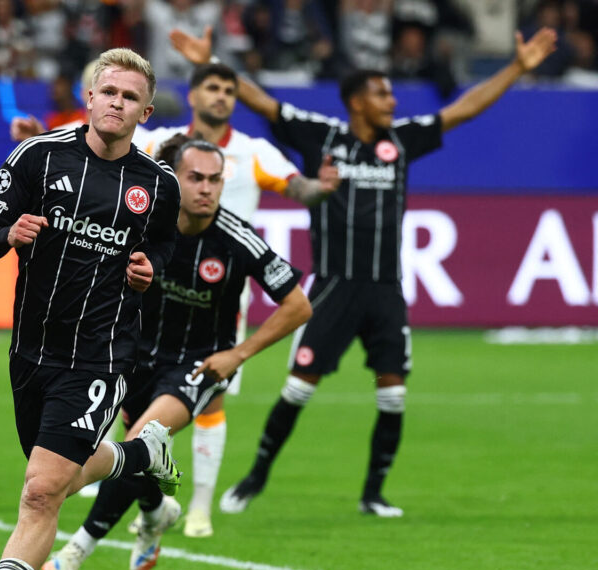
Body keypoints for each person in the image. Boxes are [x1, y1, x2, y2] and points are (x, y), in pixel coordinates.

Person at [168, 26, 558, 517]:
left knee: (393, 393)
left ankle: (374, 493)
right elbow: (267, 105)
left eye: (390, 93)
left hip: (386, 291)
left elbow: (464, 109)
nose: (391, 101)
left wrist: (517, 68)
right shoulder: (323, 137)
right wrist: (218, 65)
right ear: (356, 102)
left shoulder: (402, 142)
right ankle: (254, 478)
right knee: (298, 389)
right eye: (381, 93)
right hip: (332, 288)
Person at [13, 60, 340, 538]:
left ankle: (196, 508)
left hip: (218, 289)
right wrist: (42, 138)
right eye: (212, 86)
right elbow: (96, 151)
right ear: (192, 95)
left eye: (230, 89)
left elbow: (301, 189)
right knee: (134, 416)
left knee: (202, 404)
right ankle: (149, 501)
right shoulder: (155, 141)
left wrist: (322, 189)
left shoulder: (254, 151)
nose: (222, 96)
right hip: (154, 286)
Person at [0, 47, 182, 570]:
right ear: (91, 97)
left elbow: (161, 261)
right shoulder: (37, 158)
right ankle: (136, 454)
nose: (116, 104)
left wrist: (150, 274)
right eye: (107, 92)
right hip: (30, 353)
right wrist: (9, 235)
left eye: (129, 97)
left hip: (99, 357)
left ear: (143, 112)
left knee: (42, 491)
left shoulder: (158, 186)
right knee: (55, 480)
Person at [41, 134, 313, 570]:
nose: (207, 188)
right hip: (135, 358)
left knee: (141, 437)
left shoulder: (236, 237)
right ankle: (155, 512)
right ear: (174, 179)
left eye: (215, 179)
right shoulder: (146, 223)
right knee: (142, 453)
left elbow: (298, 305)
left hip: (200, 364)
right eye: (195, 178)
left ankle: (77, 549)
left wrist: (237, 354)